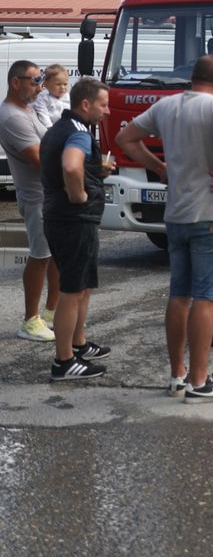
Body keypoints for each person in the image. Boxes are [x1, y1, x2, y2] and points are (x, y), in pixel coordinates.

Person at [116, 55, 213, 403]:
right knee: (206, 299)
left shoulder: (167, 106)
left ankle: (177, 376)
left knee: (179, 296)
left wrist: (159, 167)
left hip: (175, 216)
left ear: (192, 77)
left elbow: (126, 138)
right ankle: (200, 382)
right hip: (211, 214)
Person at [40, 78, 112, 380]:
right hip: (72, 219)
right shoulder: (78, 132)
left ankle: (78, 345)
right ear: (86, 104)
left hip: (61, 217)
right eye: (103, 104)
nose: (107, 112)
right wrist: (79, 195)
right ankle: (64, 361)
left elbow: (70, 166)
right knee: (71, 290)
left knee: (83, 284)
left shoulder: (61, 128)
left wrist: (96, 170)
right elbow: (70, 166)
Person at [0, 61, 59, 342]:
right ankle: (30, 320)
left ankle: (50, 314)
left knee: (56, 255)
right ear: (15, 82)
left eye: (42, 80)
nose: (40, 86)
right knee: (40, 256)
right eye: (35, 81)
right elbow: (40, 160)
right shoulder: (12, 117)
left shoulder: (28, 110)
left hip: (49, 195)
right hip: (36, 198)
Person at [32, 64, 70, 130]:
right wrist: (50, 128)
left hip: (70, 129)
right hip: (53, 130)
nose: (62, 87)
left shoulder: (70, 98)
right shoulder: (44, 100)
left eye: (65, 84)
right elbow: (43, 115)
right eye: (58, 84)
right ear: (46, 84)